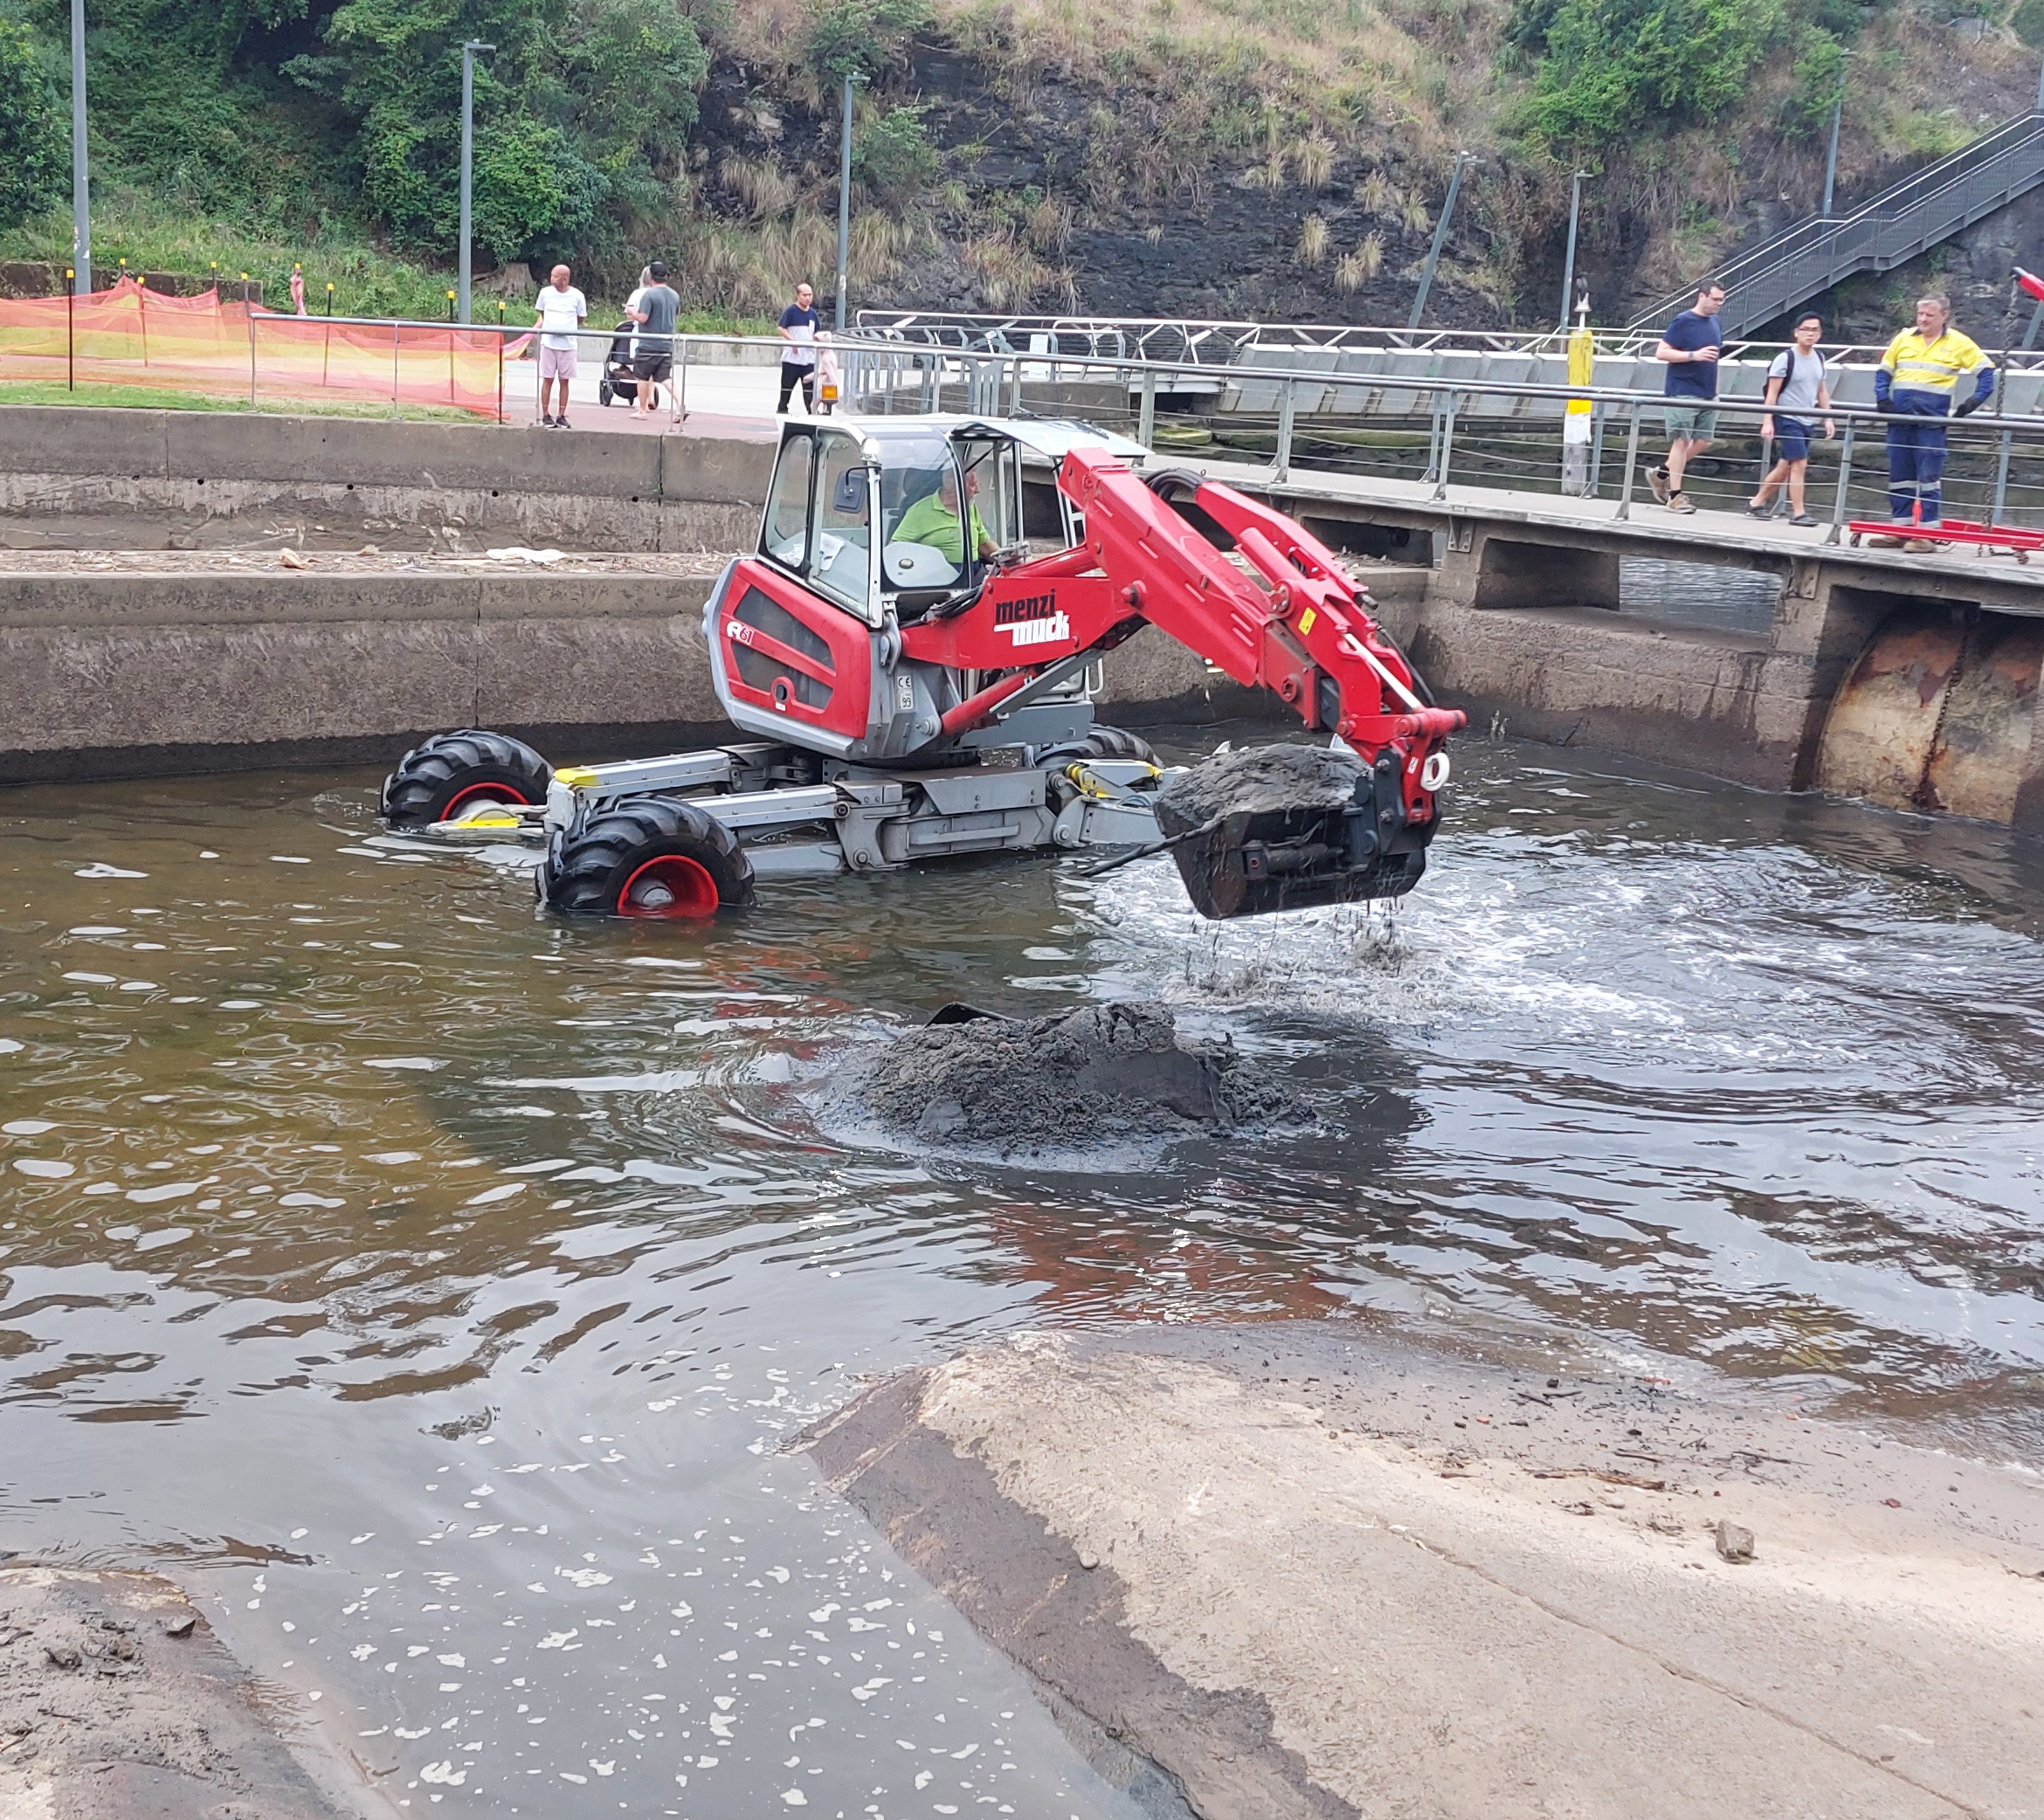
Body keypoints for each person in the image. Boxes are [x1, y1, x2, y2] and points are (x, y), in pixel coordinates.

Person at [1869, 293, 1994, 550]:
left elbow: (1987, 374)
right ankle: (1900, 529)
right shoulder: (1903, 338)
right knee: (1899, 477)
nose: (1923, 319)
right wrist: (1882, 398)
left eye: (1929, 315)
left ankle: (1926, 535)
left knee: (1928, 478)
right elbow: (1884, 371)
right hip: (1900, 419)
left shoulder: (1960, 343)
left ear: (1944, 316)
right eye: (1920, 314)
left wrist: (1972, 402)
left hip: (1932, 423)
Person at [1746, 312, 1836, 526]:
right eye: (1806, 329)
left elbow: (1821, 390)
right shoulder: (1785, 359)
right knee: (1799, 463)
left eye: (1815, 330)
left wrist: (1828, 417)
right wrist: (1767, 421)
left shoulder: (1819, 358)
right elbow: (1772, 393)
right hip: (1786, 418)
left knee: (1785, 465)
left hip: (1808, 419)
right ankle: (1798, 513)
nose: (1810, 334)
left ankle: (1756, 503)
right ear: (1796, 333)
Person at [1649, 278, 1725, 514]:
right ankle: (1674, 496)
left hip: (1708, 392)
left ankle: (1661, 473)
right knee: (1681, 441)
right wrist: (1693, 355)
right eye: (1715, 299)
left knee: (1703, 440)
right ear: (1701, 296)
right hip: (1683, 391)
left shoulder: (1715, 322)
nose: (1718, 304)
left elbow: (1713, 358)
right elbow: (1661, 352)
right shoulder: (1683, 321)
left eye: (1721, 300)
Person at [893, 466, 996, 565]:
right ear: (953, 486)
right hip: (938, 577)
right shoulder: (921, 510)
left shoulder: (970, 507)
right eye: (973, 485)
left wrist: (1007, 560)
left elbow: (984, 545)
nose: (977, 490)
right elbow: (895, 549)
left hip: (972, 575)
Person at [534, 263, 587, 430]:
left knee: (565, 380)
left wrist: (567, 328)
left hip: (568, 345)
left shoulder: (577, 296)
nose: (552, 279)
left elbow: (580, 317)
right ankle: (545, 415)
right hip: (549, 343)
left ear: (565, 279)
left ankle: (562, 415)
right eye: (551, 275)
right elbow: (542, 312)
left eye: (556, 276)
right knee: (547, 379)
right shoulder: (545, 293)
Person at [627, 260, 680, 419]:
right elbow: (675, 316)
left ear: (650, 276)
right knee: (665, 378)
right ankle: (681, 404)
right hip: (666, 343)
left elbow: (643, 318)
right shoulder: (674, 295)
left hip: (648, 343)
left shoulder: (648, 295)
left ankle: (642, 410)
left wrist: (632, 311)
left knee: (642, 376)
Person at [777, 281, 819, 414]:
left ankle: (812, 412)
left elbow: (816, 332)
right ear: (798, 295)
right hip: (792, 359)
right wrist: (792, 341)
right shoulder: (791, 311)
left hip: (808, 359)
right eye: (804, 295)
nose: (807, 298)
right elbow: (781, 328)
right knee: (787, 387)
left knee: (809, 389)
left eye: (810, 295)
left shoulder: (813, 314)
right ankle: (782, 410)